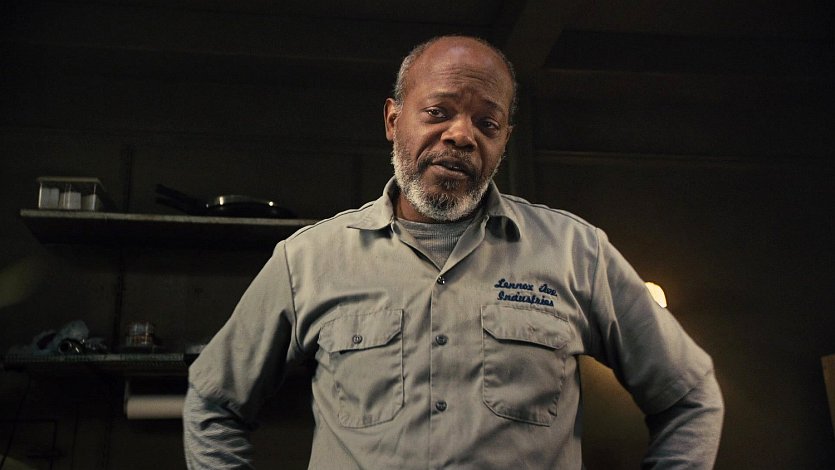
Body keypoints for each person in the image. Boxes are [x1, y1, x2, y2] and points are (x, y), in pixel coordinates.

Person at [183, 35, 724, 469]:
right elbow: (213, 403)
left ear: (504, 139)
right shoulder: (308, 260)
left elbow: (689, 396)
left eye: (487, 123)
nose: (461, 135)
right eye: (438, 111)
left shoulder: (576, 253)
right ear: (393, 120)